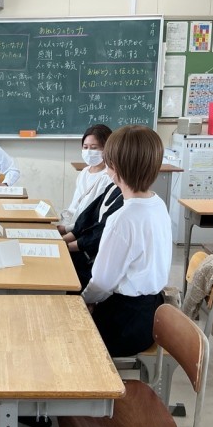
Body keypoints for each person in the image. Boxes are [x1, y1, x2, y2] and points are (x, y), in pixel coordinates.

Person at [82, 125, 172, 358]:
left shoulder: (123, 218)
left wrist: (83, 303)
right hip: (151, 314)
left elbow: (102, 282)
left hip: (123, 323)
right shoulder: (158, 204)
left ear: (115, 167)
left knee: (64, 327)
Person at [58, 124, 114, 234]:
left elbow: (94, 216)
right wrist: (64, 225)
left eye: (94, 148)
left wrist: (68, 229)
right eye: (85, 147)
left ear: (107, 148)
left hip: (86, 233)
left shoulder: (108, 177)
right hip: (72, 228)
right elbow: (75, 205)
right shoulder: (84, 172)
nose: (88, 151)